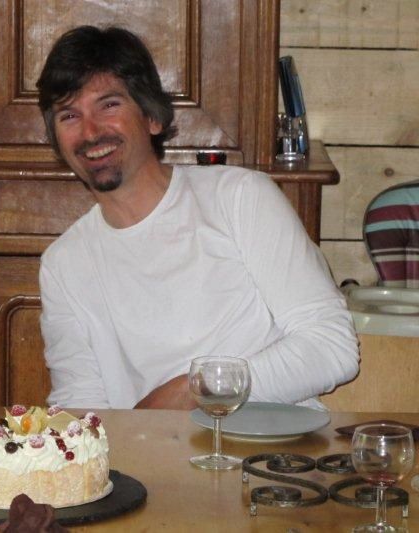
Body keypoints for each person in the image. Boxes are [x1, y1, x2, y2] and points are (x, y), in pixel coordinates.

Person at [35, 26, 359, 410]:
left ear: (152, 118)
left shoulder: (240, 199)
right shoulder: (64, 264)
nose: (90, 132)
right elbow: (80, 404)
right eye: (69, 115)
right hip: (148, 464)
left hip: (271, 458)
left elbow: (331, 346)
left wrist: (194, 390)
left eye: (109, 105)